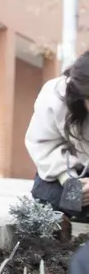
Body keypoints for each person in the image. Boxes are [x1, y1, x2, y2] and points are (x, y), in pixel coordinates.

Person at [26, 50, 89, 220]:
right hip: (66, 171)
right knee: (49, 198)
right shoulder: (54, 96)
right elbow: (43, 144)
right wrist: (70, 181)